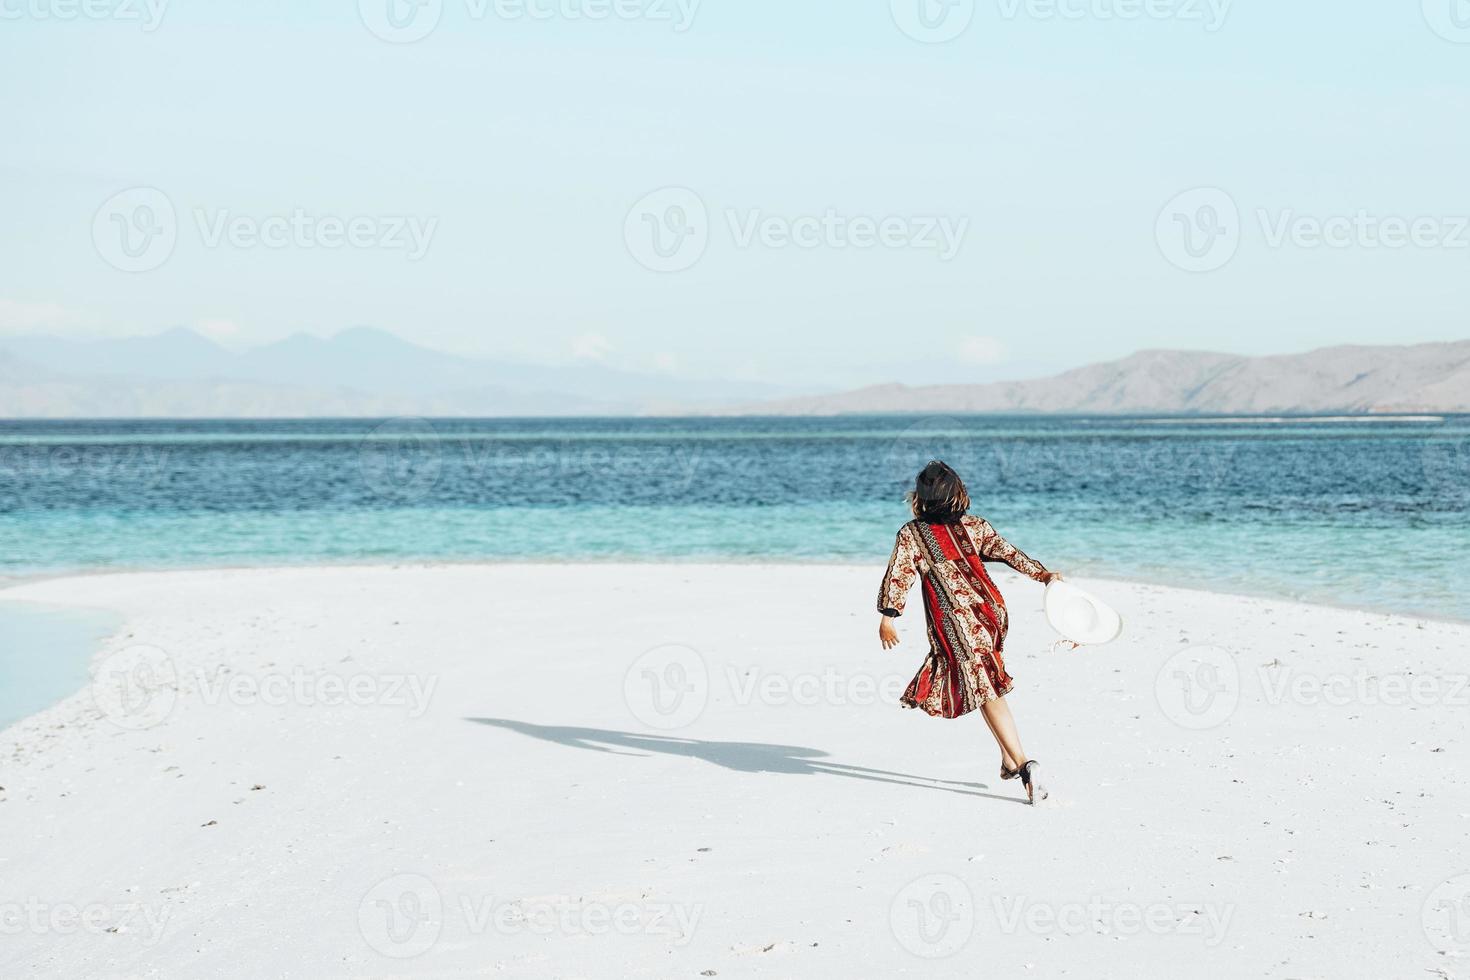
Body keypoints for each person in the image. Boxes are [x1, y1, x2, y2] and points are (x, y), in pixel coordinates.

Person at [877, 460, 1061, 804]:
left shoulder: (912, 533)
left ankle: (1024, 765)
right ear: (958, 495)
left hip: (956, 620)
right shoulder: (974, 526)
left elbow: (899, 573)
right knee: (983, 685)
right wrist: (1042, 574)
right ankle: (1009, 759)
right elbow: (1008, 553)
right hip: (992, 612)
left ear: (920, 498)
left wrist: (888, 616)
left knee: (985, 688)